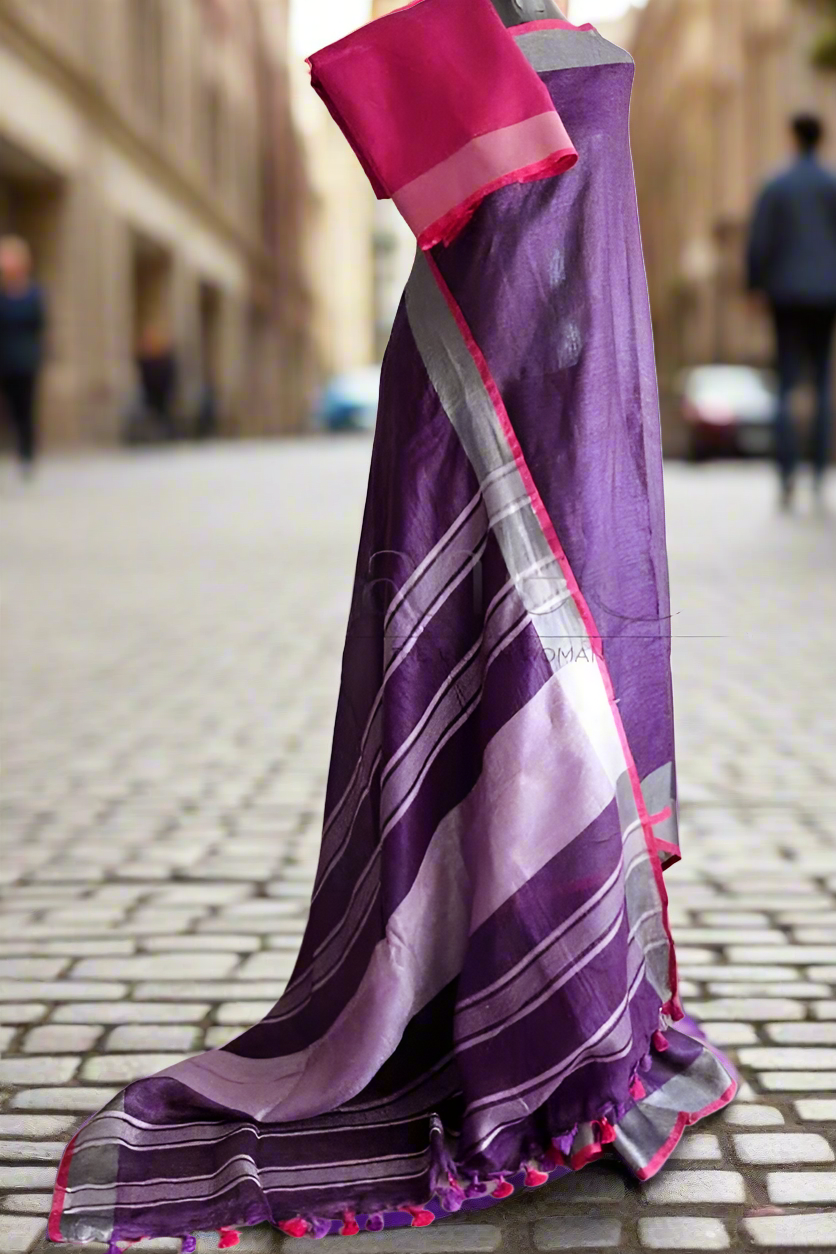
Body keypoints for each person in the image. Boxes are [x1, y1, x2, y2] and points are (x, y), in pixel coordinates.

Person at [50, 2, 737, 1248]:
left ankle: (554, 995)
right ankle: (500, 1003)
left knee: (546, 703)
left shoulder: (554, 56)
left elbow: (585, 289)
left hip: (539, 431)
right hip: (480, 417)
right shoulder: (507, 57)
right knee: (499, 691)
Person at [747, 113, 836, 508]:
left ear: (792, 138)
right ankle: (818, 472)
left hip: (785, 293)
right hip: (826, 294)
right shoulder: (831, 186)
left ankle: (786, 474)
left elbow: (760, 241)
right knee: (821, 382)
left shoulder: (777, 186)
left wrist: (755, 285)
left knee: (786, 382)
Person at [0, 235, 47, 475]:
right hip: (4, 359)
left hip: (25, 360)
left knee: (24, 409)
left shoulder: (33, 294)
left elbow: (40, 326)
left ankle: (26, 454)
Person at [135, 326, 178, 441]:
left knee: (163, 417)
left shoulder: (163, 360)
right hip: (150, 395)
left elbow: (169, 376)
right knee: (153, 417)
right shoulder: (147, 361)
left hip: (161, 395)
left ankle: (164, 436)